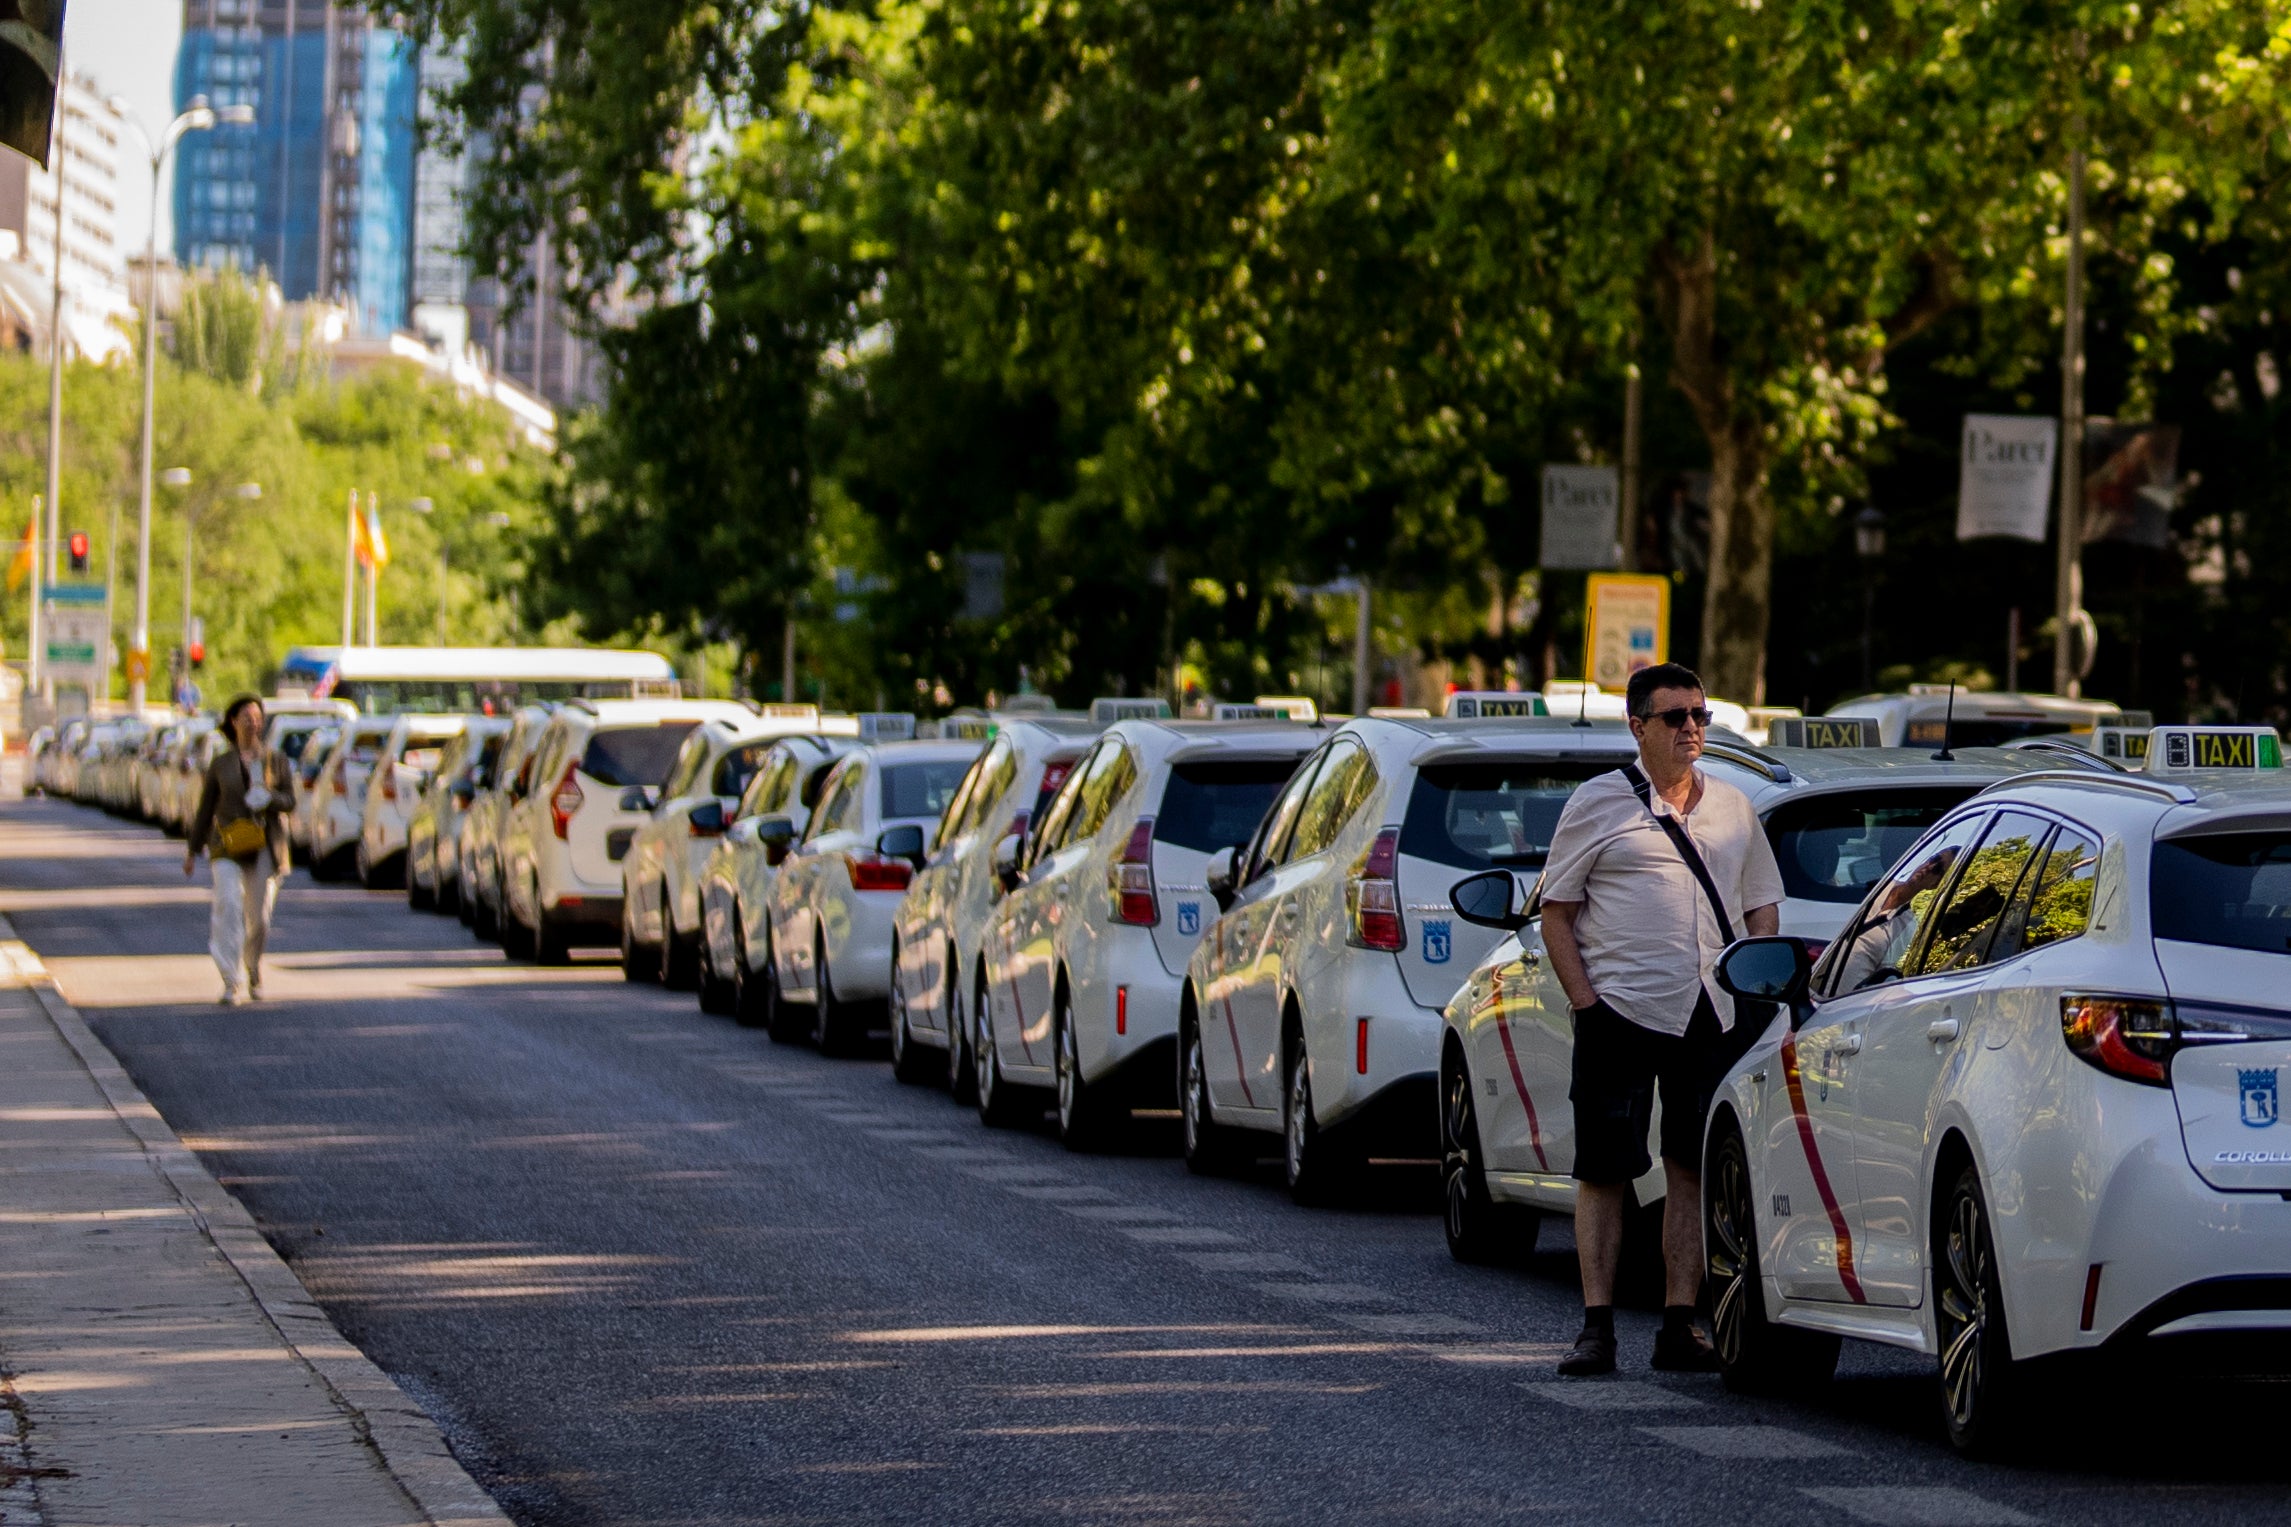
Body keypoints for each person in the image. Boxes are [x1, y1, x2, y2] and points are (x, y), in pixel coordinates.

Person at [1538, 662, 1785, 1376]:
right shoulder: (1596, 803)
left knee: (1690, 1166)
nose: (1690, 729)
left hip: (1709, 1012)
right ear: (1637, 726)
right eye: (1674, 717)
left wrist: (1751, 984)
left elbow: (1762, 905)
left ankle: (1679, 1323)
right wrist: (1585, 1002)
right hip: (1619, 1010)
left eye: (1700, 715)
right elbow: (1557, 913)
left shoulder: (1733, 807)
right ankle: (1597, 1327)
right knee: (1604, 1171)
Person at [185, 694, 294, 1005]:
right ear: (233, 722)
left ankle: (252, 965)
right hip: (227, 844)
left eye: (257, 718)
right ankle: (230, 980)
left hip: (264, 845)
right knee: (229, 905)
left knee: (259, 918)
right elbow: (206, 808)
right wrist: (192, 850)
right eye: (247, 717)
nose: (253, 723)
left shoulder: (275, 760)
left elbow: (290, 800)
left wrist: (270, 798)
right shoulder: (221, 764)